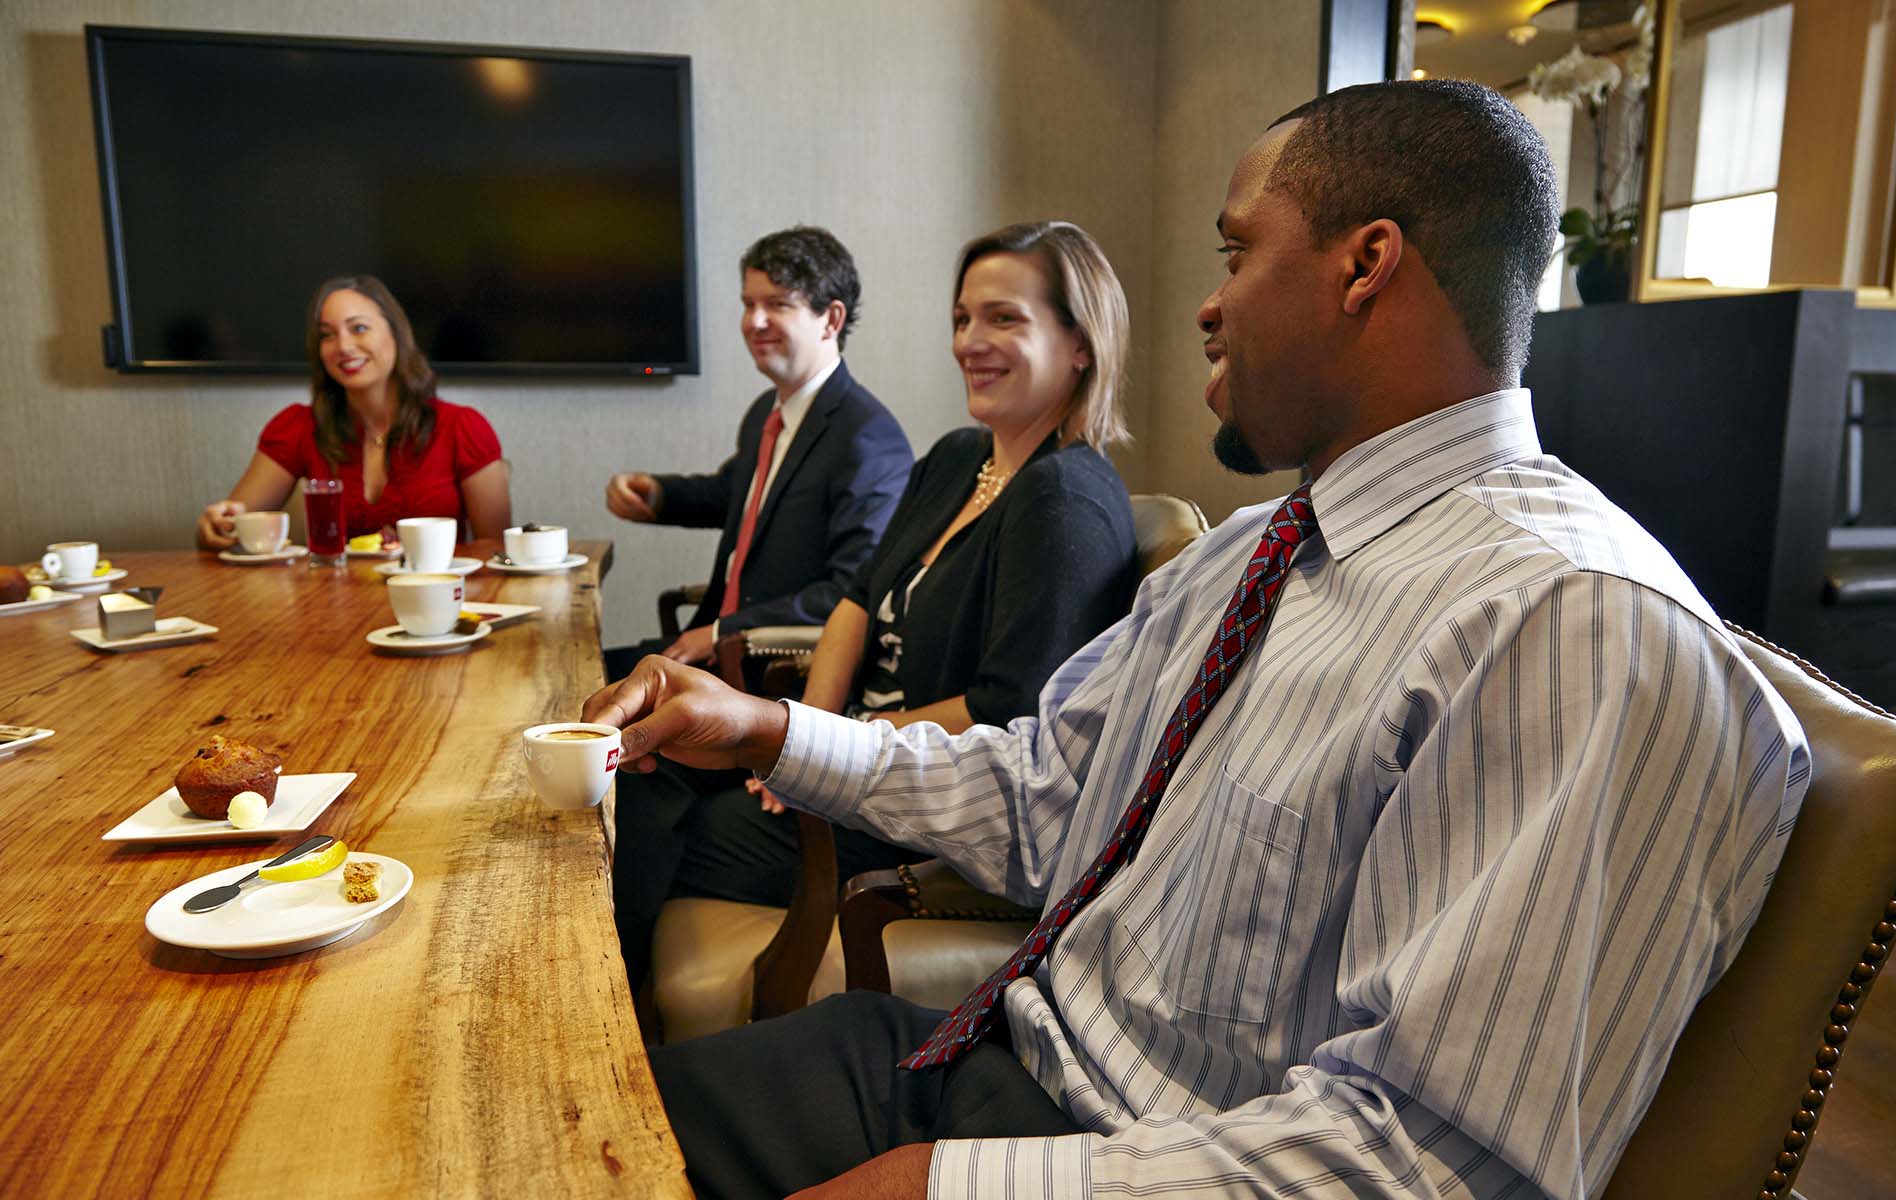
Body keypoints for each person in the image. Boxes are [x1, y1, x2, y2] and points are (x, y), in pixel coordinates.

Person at [583, 80, 1812, 1200]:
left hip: (1137, 1160)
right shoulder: (1255, 551)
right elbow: (1046, 795)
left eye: (1237, 252)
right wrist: (771, 730)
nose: (1210, 306)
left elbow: (1424, 1160)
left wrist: (949, 1189)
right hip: (997, 1061)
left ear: (1366, 264)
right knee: (563, 1126)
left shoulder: (1572, 628)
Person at [619, 221, 1139, 981]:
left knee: (660, 822)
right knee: (648, 773)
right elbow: (857, 600)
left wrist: (814, 750)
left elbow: (1003, 714)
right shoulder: (958, 458)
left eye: (1003, 318)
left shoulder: (1065, 501)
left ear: (1081, 344)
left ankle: (617, 1019)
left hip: (924, 802)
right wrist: (811, 736)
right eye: (963, 317)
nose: (970, 341)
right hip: (852, 757)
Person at [602, 226, 912, 674]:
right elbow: (737, 495)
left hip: (767, 670)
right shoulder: (767, 412)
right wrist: (657, 493)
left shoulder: (869, 441)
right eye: (749, 304)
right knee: (569, 670)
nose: (754, 321)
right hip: (713, 648)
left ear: (831, 319)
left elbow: (850, 591)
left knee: (573, 691)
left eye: (777, 304)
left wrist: (720, 632)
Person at [195, 275, 510, 548]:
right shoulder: (298, 426)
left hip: (433, 595)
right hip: (332, 596)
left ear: (396, 335)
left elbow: (495, 551)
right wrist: (215, 526)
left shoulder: (462, 427)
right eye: (327, 335)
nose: (343, 347)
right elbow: (231, 528)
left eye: (358, 328)